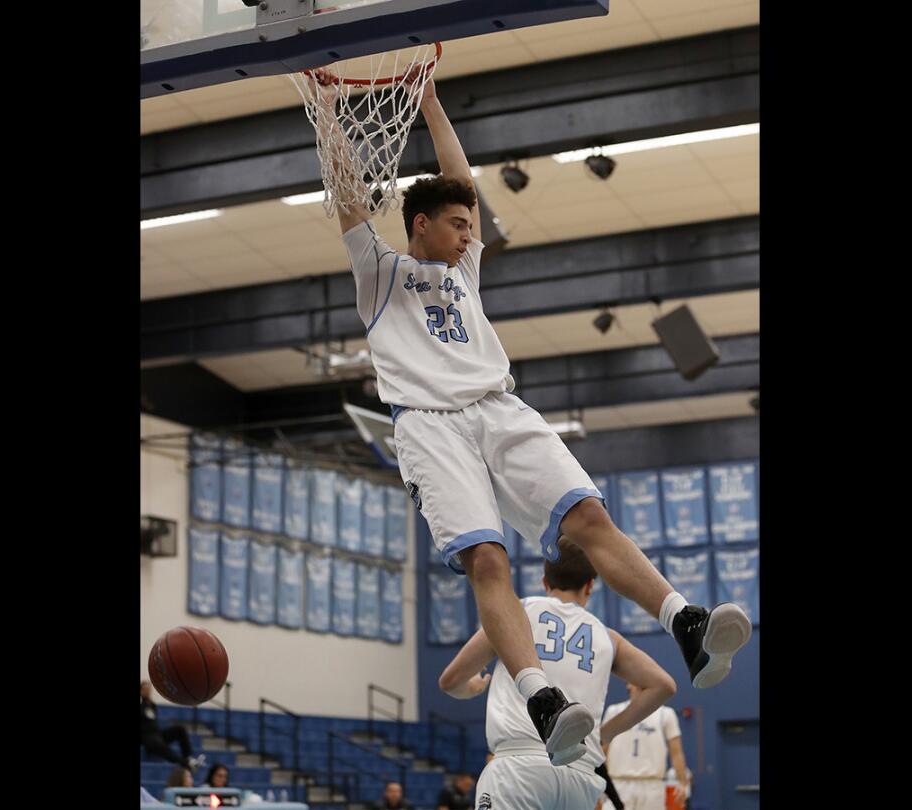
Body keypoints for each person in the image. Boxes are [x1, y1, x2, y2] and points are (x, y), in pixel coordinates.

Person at [313, 66, 752, 766]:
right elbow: (345, 193)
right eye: (456, 225)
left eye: (469, 226)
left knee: (590, 520)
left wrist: (429, 103)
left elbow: (464, 183)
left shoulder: (465, 271)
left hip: (498, 407)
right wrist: (330, 111)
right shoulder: (379, 271)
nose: (468, 234)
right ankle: (545, 702)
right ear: (420, 225)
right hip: (428, 423)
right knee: (488, 557)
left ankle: (686, 623)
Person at [437, 543, 677, 810]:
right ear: (589, 586)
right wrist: (601, 734)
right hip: (580, 774)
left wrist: (473, 687)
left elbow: (451, 680)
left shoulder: (516, 611)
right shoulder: (608, 636)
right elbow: (663, 685)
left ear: (544, 582)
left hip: (520, 767)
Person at [601, 688, 692, 809]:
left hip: (652, 786)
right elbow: (602, 751)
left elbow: (676, 752)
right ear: (628, 684)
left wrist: (682, 782)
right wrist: (599, 781)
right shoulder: (614, 711)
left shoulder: (665, 713)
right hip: (618, 783)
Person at [141, 681, 205, 771]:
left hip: (157, 734)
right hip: (146, 737)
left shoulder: (152, 705)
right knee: (158, 743)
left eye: (149, 689)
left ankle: (188, 757)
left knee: (180, 730)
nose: (147, 691)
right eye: (145, 689)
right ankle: (186, 764)